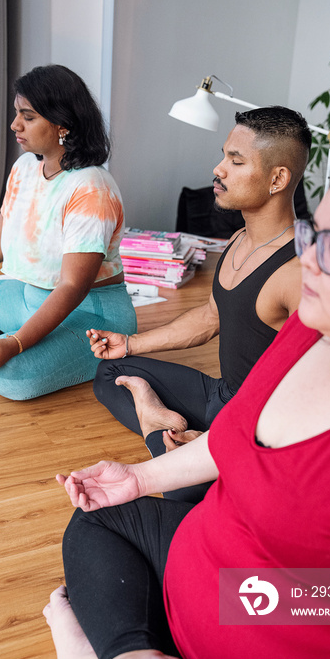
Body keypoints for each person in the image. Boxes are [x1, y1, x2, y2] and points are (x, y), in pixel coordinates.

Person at [44, 149, 330, 659]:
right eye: (313, 235)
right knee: (101, 514)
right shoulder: (311, 327)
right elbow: (231, 434)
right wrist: (138, 479)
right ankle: (131, 658)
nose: (305, 259)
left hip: (267, 640)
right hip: (212, 565)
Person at [89, 106, 312, 501]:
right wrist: (129, 344)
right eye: (224, 155)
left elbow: (301, 393)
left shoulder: (297, 271)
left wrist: (221, 437)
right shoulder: (237, 240)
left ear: (278, 179)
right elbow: (210, 317)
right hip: (221, 394)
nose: (219, 169)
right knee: (110, 372)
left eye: (236, 160)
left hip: (256, 422)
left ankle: (170, 434)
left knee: (181, 490)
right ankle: (170, 432)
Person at [0, 64, 136, 404]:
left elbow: (72, 286)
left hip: (89, 318)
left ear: (62, 123)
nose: (14, 125)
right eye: (17, 113)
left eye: (28, 116)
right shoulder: (24, 167)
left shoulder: (91, 188)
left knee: (12, 379)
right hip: (26, 298)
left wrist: (16, 343)